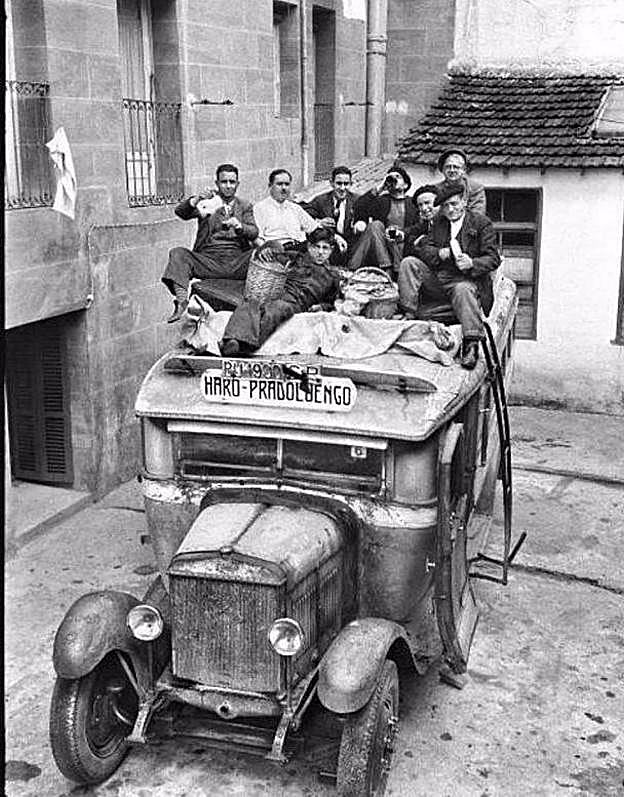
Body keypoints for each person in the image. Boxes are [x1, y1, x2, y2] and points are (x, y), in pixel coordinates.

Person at [398, 183, 500, 370]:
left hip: (467, 281)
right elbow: (425, 249)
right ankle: (409, 315)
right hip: (440, 280)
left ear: (464, 201)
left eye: (454, 204)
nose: (450, 209)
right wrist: (439, 253)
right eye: (445, 206)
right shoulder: (439, 223)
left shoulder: (481, 223)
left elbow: (493, 258)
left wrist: (473, 263)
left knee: (462, 289)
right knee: (409, 263)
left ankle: (471, 343)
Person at [220, 227, 340, 357]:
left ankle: (245, 346)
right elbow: (275, 254)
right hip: (277, 295)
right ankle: (232, 340)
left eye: (325, 248)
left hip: (296, 304)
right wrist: (266, 252)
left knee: (277, 309)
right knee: (250, 303)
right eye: (316, 247)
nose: (320, 252)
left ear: (331, 250)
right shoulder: (297, 258)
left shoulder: (332, 276)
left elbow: (331, 302)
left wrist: (321, 307)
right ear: (309, 247)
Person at [162, 164, 258, 322]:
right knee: (178, 253)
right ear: (217, 183)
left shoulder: (244, 206)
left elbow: (254, 232)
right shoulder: (208, 202)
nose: (228, 186)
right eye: (224, 182)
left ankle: (262, 300)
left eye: (232, 182)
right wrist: (197, 199)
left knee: (266, 251)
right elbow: (181, 212)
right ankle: (182, 302)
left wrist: (239, 226)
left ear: (238, 184)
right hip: (209, 261)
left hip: (236, 262)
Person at [348, 166, 419, 274]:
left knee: (393, 235)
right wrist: (379, 189)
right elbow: (358, 207)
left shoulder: (413, 203)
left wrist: (402, 233)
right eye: (390, 177)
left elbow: (419, 226)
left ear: (405, 184)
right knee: (375, 224)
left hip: (403, 245)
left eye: (398, 177)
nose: (394, 179)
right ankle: (386, 267)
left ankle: (395, 270)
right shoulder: (382, 201)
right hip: (382, 247)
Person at [252, 169, 321, 262]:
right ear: (270, 186)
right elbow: (256, 237)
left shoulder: (295, 208)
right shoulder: (260, 208)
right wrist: (263, 248)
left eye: (287, 184)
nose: (284, 188)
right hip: (279, 251)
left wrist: (334, 237)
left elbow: (314, 228)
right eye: (279, 184)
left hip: (301, 248)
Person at [298, 165, 359, 264]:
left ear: (351, 184)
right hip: (329, 249)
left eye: (346, 184)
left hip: (353, 248)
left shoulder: (358, 201)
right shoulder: (321, 200)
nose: (342, 188)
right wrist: (319, 222)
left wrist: (361, 222)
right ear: (331, 183)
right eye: (339, 183)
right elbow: (303, 215)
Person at [435, 148, 486, 216]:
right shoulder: (435, 189)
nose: (452, 170)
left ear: (464, 170)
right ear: (442, 170)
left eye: (456, 167)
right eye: (448, 167)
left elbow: (477, 215)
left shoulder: (475, 189)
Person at [403, 184, 440, 255]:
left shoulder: (447, 221)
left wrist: (422, 239)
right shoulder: (427, 222)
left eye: (427, 203)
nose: (424, 208)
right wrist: (400, 233)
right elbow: (414, 230)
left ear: (439, 202)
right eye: (420, 205)